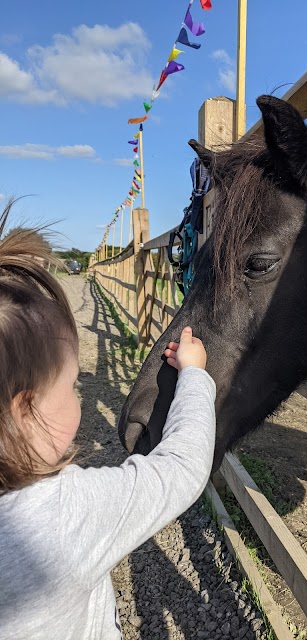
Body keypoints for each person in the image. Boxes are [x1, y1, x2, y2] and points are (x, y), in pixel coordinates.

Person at [0, 202, 216, 639]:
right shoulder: (63, 517)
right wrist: (194, 376)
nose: (77, 396)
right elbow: (181, 468)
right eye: (73, 386)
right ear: (26, 412)